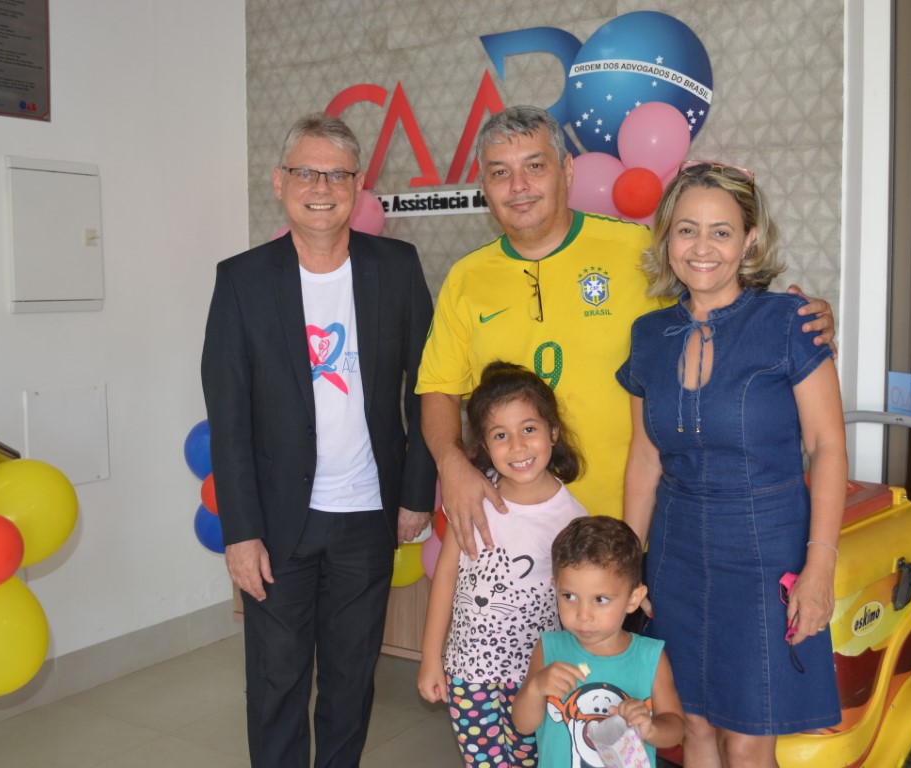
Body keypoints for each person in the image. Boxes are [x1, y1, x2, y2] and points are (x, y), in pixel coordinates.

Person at [415, 105, 837, 559]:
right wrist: (451, 464)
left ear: (567, 170)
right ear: (484, 186)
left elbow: (723, 302)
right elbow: (439, 387)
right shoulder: (466, 278)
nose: (518, 186)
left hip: (630, 526)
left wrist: (799, 319)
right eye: (501, 172)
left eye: (535, 166)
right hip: (514, 530)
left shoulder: (636, 250)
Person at [200, 113, 436, 768]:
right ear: (280, 182)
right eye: (306, 172)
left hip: (367, 515)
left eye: (337, 175)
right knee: (276, 683)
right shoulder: (242, 280)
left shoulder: (396, 267)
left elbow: (430, 385)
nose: (321, 188)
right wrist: (240, 532)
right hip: (278, 524)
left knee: (350, 681)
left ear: (358, 187)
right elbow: (229, 414)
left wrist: (417, 491)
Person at [618, 161, 847, 767]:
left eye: (721, 231)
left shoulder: (789, 323)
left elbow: (827, 447)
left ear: (750, 240)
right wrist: (627, 565)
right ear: (667, 239)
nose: (702, 247)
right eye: (686, 229)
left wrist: (820, 567)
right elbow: (645, 456)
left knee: (747, 741)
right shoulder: (648, 334)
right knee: (692, 725)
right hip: (676, 553)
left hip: (765, 551)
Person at [417, 361, 589, 767]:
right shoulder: (469, 498)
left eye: (528, 429)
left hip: (535, 677)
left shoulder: (573, 520)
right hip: (468, 672)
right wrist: (430, 658)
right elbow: (446, 577)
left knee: (534, 760)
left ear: (553, 432)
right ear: (483, 445)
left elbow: (579, 606)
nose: (517, 446)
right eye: (500, 435)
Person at [513, 516, 685, 767]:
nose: (583, 615)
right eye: (569, 596)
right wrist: (536, 688)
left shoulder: (650, 656)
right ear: (555, 588)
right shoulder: (549, 648)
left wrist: (651, 728)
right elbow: (522, 724)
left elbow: (676, 728)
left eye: (600, 600)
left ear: (633, 599)